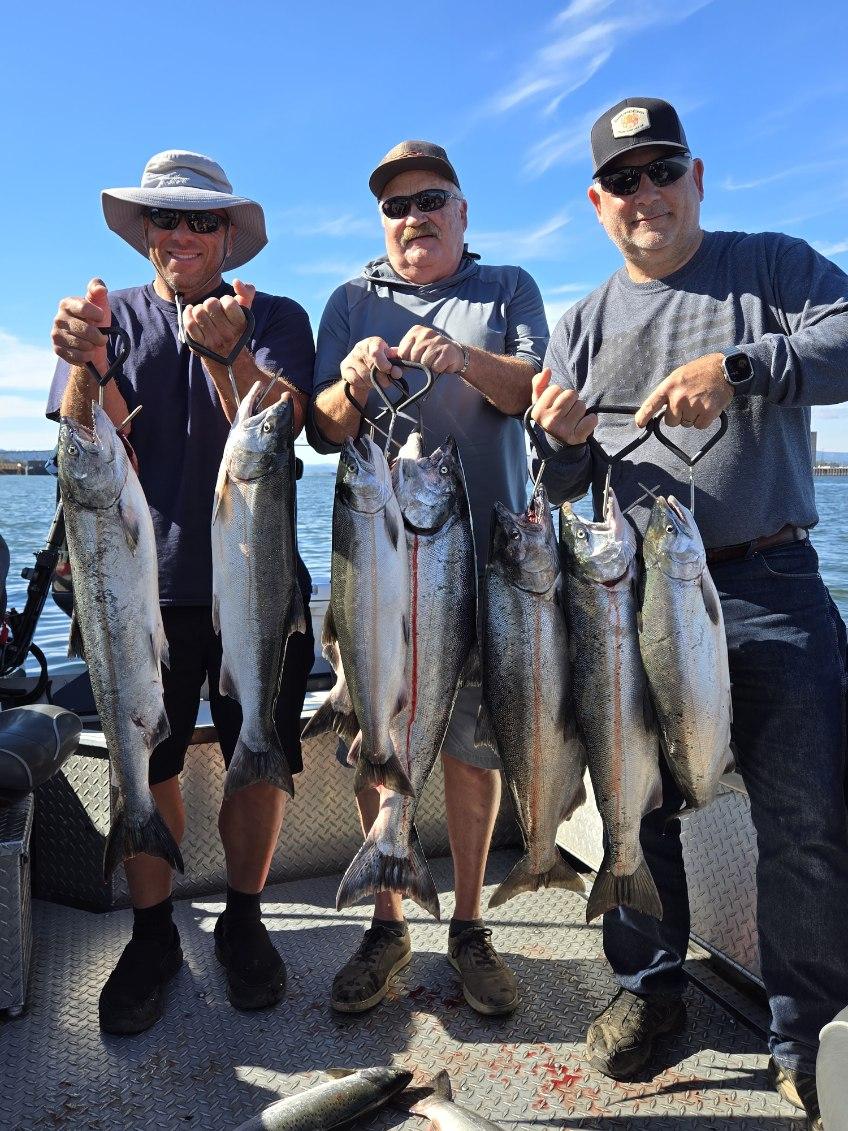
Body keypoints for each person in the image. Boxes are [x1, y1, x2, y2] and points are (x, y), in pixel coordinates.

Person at [530, 97, 848, 1130]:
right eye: (621, 179)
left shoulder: (770, 266)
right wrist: (559, 441)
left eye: (661, 169)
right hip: (629, 594)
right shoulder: (577, 325)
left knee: (802, 820)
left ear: (696, 177)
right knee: (643, 804)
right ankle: (647, 988)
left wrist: (743, 368)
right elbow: (566, 483)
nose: (644, 193)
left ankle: (806, 1036)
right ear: (595, 201)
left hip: (768, 586)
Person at [48, 150, 316, 1035]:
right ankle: (155, 931)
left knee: (260, 747)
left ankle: (243, 919)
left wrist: (230, 355)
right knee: (152, 757)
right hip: (141, 590)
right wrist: (86, 355)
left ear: (230, 234)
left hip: (262, 578)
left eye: (203, 220)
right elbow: (82, 434)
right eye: (166, 219)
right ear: (145, 233)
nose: (182, 234)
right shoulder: (112, 315)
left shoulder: (275, 315)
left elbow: (285, 423)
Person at [308, 140, 548, 1017]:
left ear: (462, 210)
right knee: (382, 720)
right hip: (374, 553)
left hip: (486, 559)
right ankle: (387, 916)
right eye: (396, 204)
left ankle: (471, 925)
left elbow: (528, 389)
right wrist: (349, 379)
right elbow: (323, 432)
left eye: (431, 198)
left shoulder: (508, 288)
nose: (414, 216)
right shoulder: (349, 300)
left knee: (470, 741)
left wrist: (459, 357)